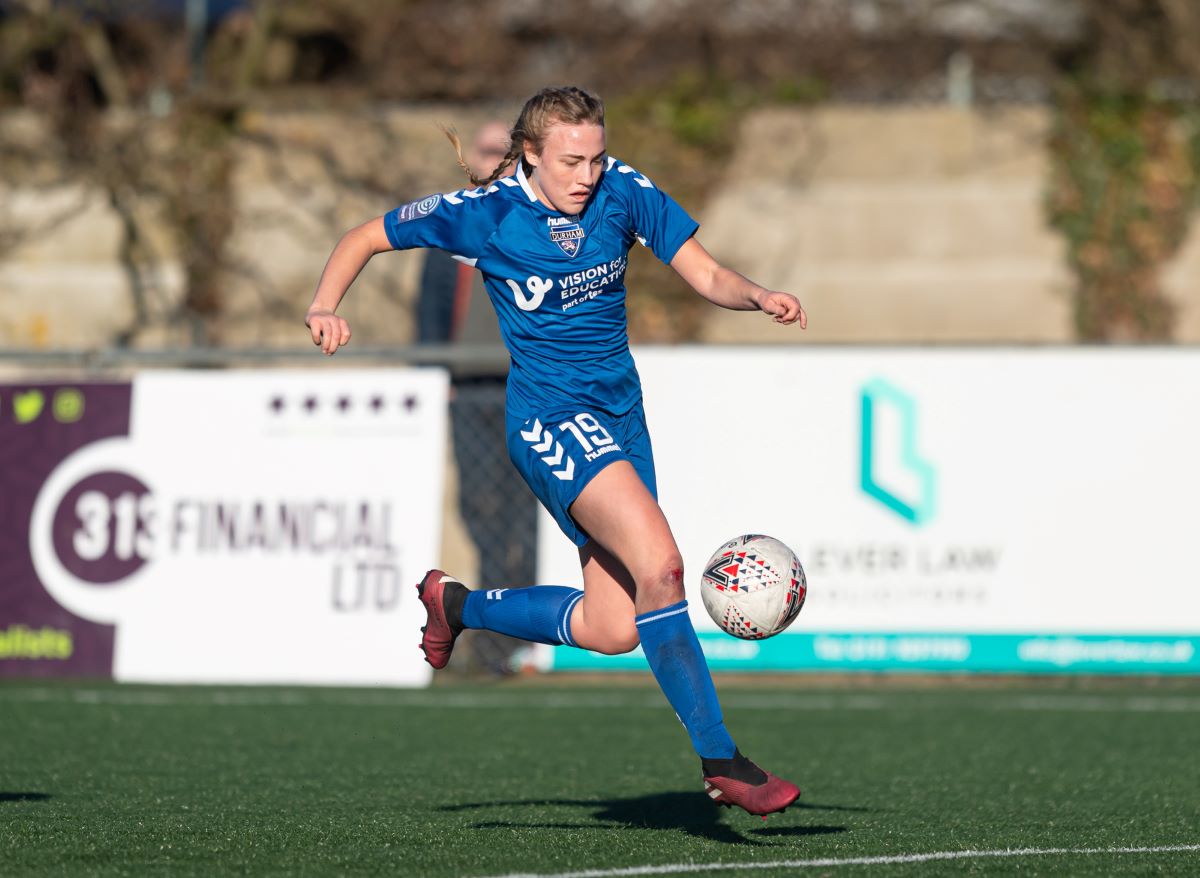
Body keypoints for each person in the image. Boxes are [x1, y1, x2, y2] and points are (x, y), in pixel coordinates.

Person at [306, 86, 808, 817]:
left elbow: (703, 271)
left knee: (611, 628)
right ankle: (721, 758)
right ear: (531, 154)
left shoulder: (623, 191)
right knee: (662, 567)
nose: (588, 175)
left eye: (596, 157)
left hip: (622, 418)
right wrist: (326, 305)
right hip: (547, 417)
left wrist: (756, 294)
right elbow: (363, 237)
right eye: (572, 161)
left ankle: (458, 604)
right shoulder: (484, 214)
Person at [415, 121, 538, 674]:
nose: (492, 159)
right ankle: (491, 641)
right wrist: (434, 374)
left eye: (501, 151)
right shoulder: (452, 227)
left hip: (526, 387)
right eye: (485, 150)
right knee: (480, 513)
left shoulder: (539, 223)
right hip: (466, 390)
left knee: (527, 516)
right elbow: (430, 315)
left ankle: (523, 643)